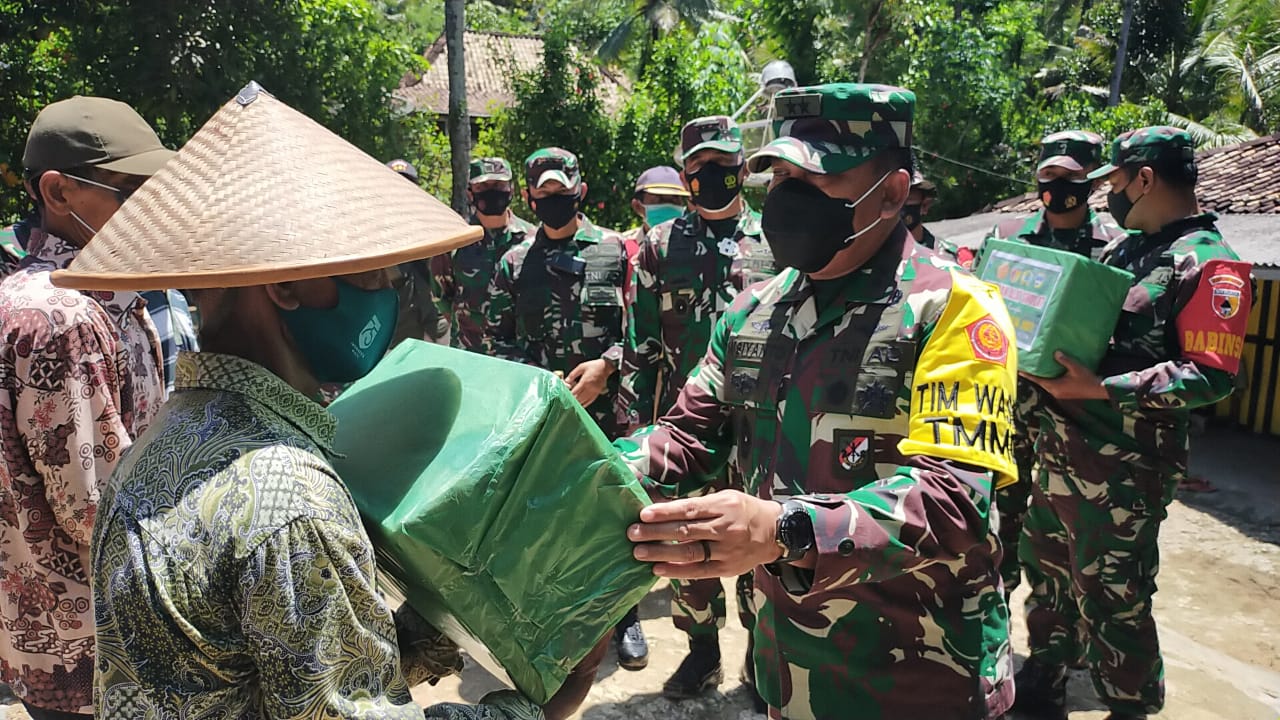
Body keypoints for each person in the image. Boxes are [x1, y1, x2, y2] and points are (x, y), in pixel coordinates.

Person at [70, 83, 605, 720]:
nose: (385, 292)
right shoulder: (289, 497)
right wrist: (534, 709)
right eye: (369, 273)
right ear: (289, 287)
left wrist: (432, 627)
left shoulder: (160, 447)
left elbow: (280, 670)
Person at [617, 82, 1018, 720]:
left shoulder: (955, 311)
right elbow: (687, 433)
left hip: (921, 678)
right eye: (779, 177)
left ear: (891, 192)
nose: (789, 201)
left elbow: (954, 497)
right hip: (787, 667)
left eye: (817, 178)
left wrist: (784, 530)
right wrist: (590, 465)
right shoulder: (756, 310)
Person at [1015, 127, 1251, 720]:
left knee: (1113, 597)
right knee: (1048, 576)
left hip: (1126, 464)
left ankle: (1129, 706)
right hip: (1063, 447)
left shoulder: (1210, 264)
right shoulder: (1128, 249)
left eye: (1115, 182)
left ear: (1145, 179)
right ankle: (1044, 684)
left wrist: (1103, 387)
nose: (1108, 197)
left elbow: (1211, 375)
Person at [0, 95, 170, 720]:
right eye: (130, 190)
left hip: (57, 638)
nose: (151, 207)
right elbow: (96, 506)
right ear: (58, 192)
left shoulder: (102, 296)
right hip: (99, 646)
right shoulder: (61, 317)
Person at [615, 115, 776, 702]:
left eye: (723, 167)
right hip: (691, 430)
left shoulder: (775, 241)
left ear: (742, 169)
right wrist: (639, 434)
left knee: (762, 549)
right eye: (699, 168)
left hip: (763, 428)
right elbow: (640, 350)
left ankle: (761, 660)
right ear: (685, 175)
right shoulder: (659, 248)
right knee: (689, 545)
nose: (712, 176)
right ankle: (702, 653)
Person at [481, 147, 647, 670]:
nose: (554, 200)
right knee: (551, 517)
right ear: (530, 197)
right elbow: (496, 339)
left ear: (580, 190)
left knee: (616, 515)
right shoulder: (513, 263)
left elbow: (642, 334)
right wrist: (537, 379)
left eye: (562, 191)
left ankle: (628, 616)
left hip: (608, 413)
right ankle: (566, 625)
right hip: (545, 415)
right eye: (544, 194)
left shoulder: (617, 252)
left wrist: (608, 366)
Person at [978, 130, 1128, 602]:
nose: (1057, 186)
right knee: (997, 523)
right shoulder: (1008, 243)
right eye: (1048, 176)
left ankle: (1055, 654)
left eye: (1070, 177)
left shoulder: (1118, 248)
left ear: (1092, 183)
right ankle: (991, 626)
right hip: (1008, 411)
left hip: (1078, 421)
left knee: (1062, 541)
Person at [431, 157, 535, 352]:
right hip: (469, 354)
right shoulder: (455, 240)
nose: (491, 191)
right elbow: (441, 297)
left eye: (498, 185)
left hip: (519, 355)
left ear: (511, 189)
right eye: (483, 187)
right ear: (470, 193)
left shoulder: (531, 240)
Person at [387, 158, 452, 347]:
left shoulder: (437, 225)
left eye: (407, 185)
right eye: (394, 185)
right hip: (396, 336)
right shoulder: (373, 235)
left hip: (438, 327)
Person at [622, 165, 690, 259]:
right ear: (637, 207)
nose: (668, 205)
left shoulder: (697, 245)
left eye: (674, 200)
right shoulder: (622, 247)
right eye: (659, 200)